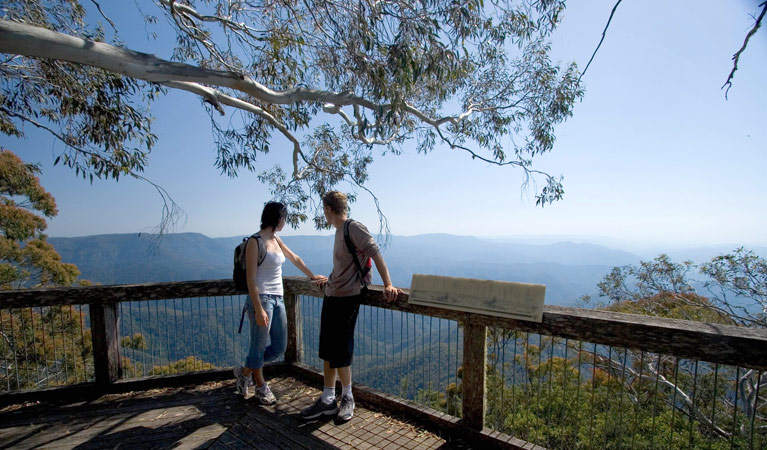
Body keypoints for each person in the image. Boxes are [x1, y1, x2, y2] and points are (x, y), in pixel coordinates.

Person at [301, 191, 401, 422]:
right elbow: (344, 264)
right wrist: (331, 280)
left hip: (348, 297)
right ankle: (327, 400)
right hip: (332, 294)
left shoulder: (353, 228)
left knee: (341, 351)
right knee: (328, 350)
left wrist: (388, 284)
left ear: (328, 208)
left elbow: (376, 254)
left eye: (323, 209)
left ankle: (347, 398)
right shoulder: (339, 231)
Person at [234, 201, 327, 404]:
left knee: (278, 347)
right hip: (262, 300)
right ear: (277, 218)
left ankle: (244, 372)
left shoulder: (276, 239)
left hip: (279, 298)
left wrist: (312, 276)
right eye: (284, 217)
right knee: (258, 347)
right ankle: (260, 387)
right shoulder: (254, 242)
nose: (285, 221)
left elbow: (293, 257)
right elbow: (251, 278)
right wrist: (258, 309)